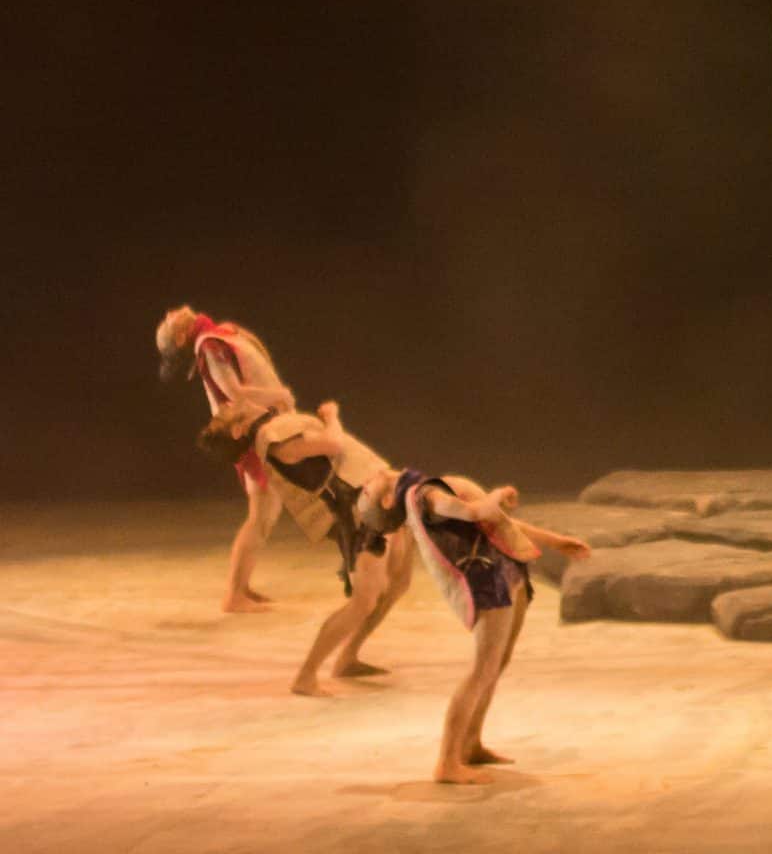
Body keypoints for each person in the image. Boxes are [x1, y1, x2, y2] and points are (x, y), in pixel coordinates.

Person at [357, 467, 589, 784]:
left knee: (496, 664)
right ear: (386, 500)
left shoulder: (424, 492)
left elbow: (494, 523)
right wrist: (498, 495)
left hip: (504, 572)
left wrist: (554, 541)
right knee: (482, 670)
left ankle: (471, 744)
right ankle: (447, 763)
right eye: (367, 490)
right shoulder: (426, 498)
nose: (366, 480)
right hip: (486, 583)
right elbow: (475, 512)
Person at [197, 398, 414, 695]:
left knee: (398, 582)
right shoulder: (273, 439)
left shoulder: (275, 428)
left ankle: (348, 657)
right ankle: (306, 676)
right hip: (359, 508)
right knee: (364, 600)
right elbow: (333, 444)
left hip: (376, 497)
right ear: (238, 430)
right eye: (226, 412)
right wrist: (332, 416)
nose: (230, 404)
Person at [156, 305, 296, 611]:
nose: (170, 311)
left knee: (266, 515)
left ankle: (241, 587)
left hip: (261, 425)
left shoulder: (219, 336)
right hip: (251, 432)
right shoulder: (209, 346)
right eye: (168, 320)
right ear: (180, 337)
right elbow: (233, 392)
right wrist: (279, 396)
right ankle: (235, 595)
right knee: (261, 514)